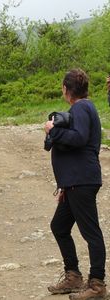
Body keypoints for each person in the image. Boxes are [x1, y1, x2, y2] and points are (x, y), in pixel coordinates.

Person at [44, 68, 107, 300]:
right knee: (59, 226)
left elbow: (79, 137)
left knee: (91, 233)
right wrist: (64, 185)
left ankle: (98, 285)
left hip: (82, 181)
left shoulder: (81, 107)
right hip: (74, 182)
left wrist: (53, 131)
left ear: (65, 89)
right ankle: (73, 277)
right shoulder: (84, 107)